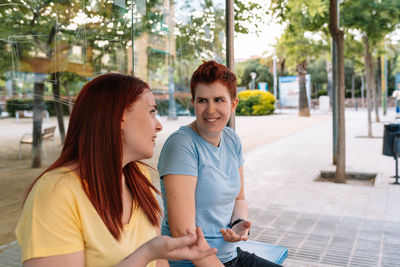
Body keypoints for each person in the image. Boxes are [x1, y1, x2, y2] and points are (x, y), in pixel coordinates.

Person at [15, 73, 217, 267]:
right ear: (121, 117)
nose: (158, 125)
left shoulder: (138, 177)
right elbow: (154, 253)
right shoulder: (56, 192)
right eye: (152, 112)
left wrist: (155, 253)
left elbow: (160, 262)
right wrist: (146, 253)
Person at [158, 61, 282, 267]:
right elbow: (183, 233)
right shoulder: (181, 145)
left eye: (218, 100)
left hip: (230, 256)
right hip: (190, 262)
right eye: (202, 101)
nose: (210, 110)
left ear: (233, 104)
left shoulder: (232, 139)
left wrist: (238, 224)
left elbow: (239, 198)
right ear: (193, 102)